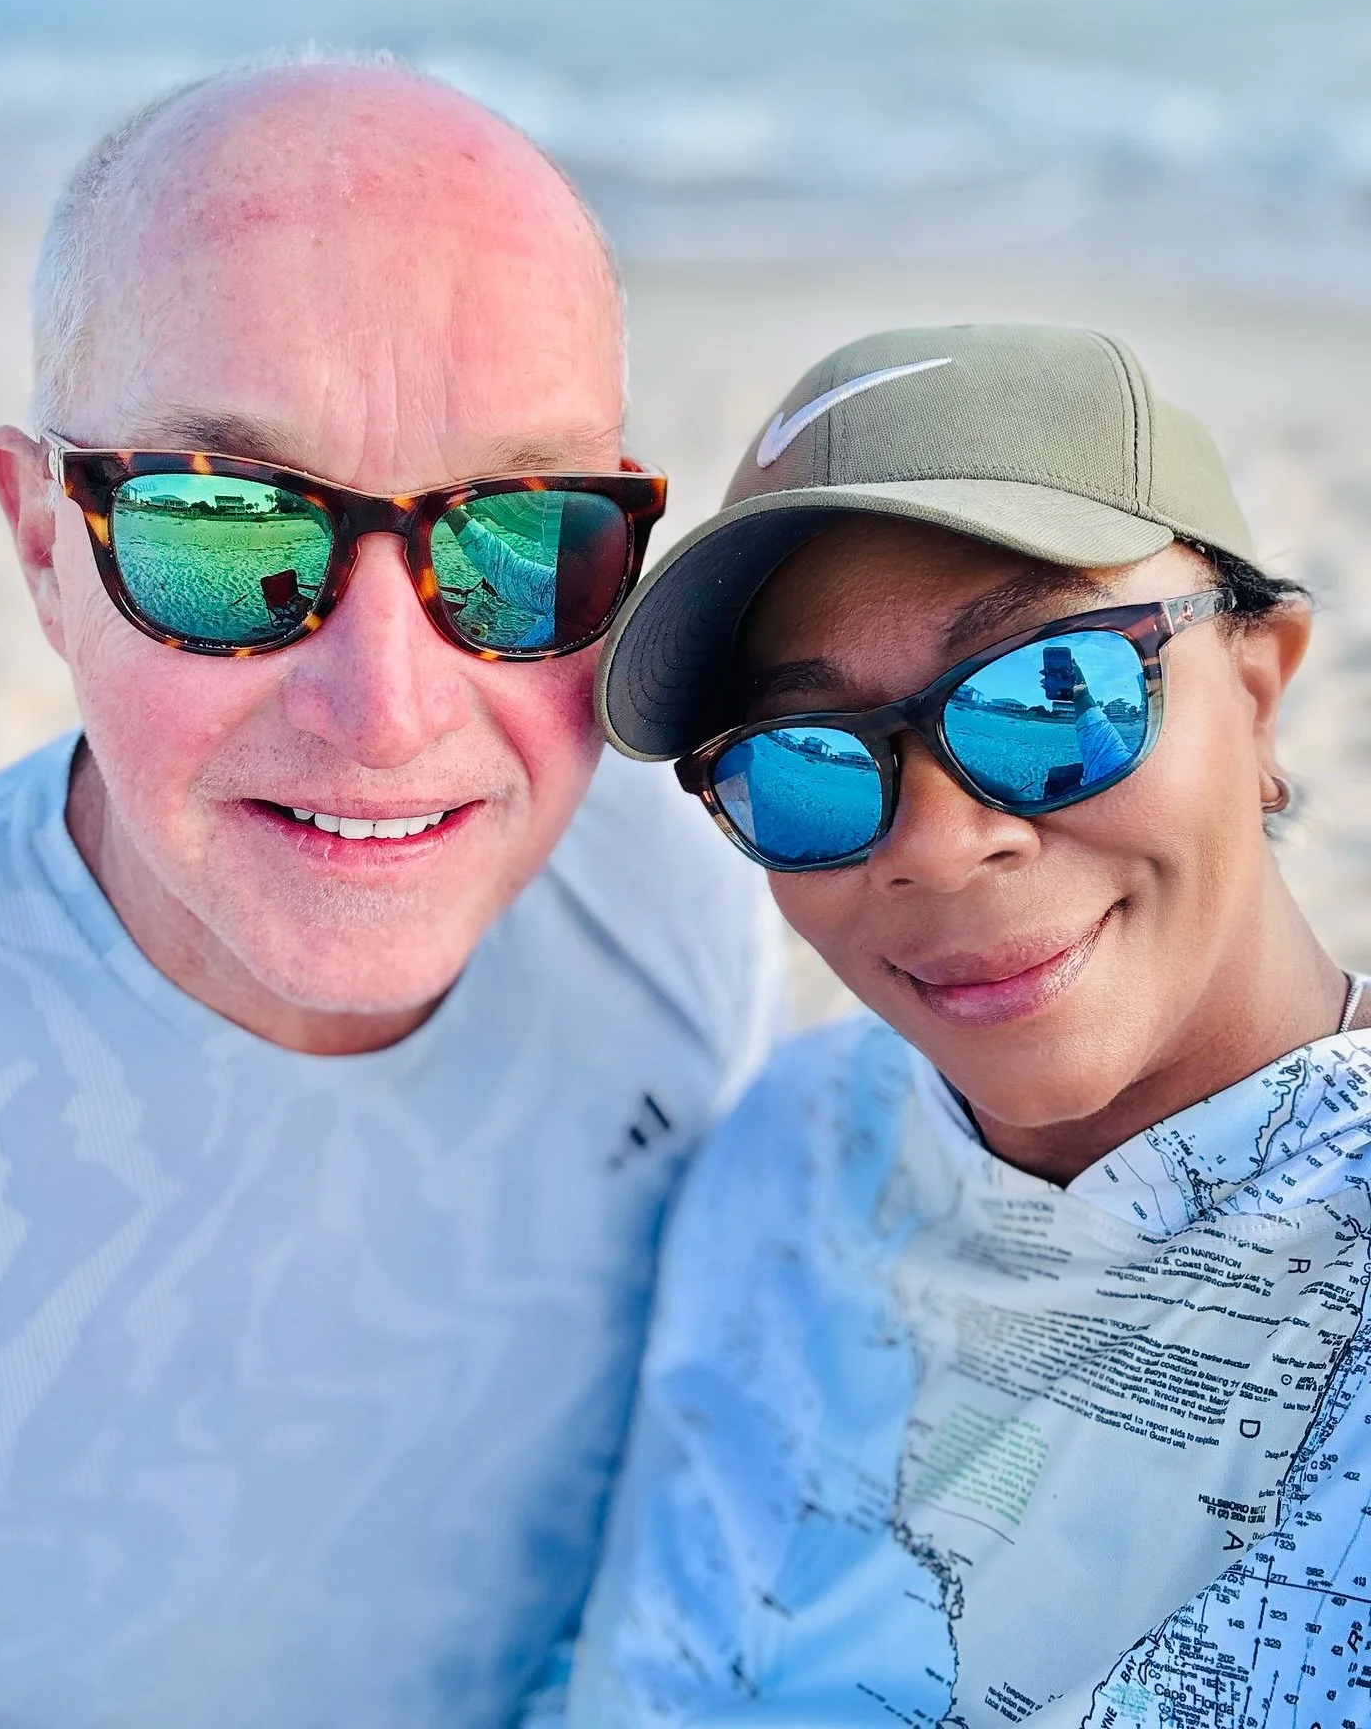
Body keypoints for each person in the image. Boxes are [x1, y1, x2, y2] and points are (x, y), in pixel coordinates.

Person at [0, 56, 777, 1729]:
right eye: (226, 528)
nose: (385, 708)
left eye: (518, 539)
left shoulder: (682, 902)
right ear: (43, 543)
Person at [558, 324, 1371, 1727]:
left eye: (1053, 695)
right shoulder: (784, 1156)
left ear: (1259, 685)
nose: (938, 843)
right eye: (803, 766)